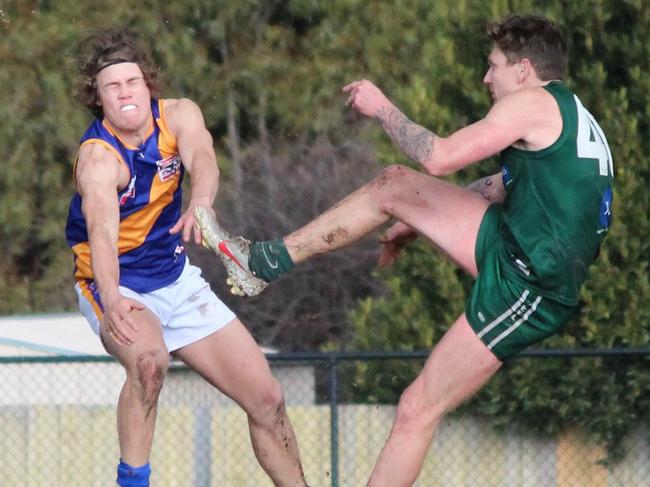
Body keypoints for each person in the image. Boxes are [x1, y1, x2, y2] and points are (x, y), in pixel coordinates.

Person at [195, 13, 614, 487]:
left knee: (417, 408)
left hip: (529, 285)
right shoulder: (570, 113)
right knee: (394, 185)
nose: (485, 77)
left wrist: (381, 107)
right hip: (514, 243)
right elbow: (504, 185)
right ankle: (263, 263)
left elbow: (438, 157)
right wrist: (414, 222)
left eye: (493, 65)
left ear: (522, 70)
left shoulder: (530, 105)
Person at [65, 29, 309, 487]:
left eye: (132, 82)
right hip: (116, 284)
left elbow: (204, 157)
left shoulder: (179, 115)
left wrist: (202, 201)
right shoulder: (98, 159)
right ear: (99, 100)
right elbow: (101, 233)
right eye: (112, 88)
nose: (125, 93)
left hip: (176, 280)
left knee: (268, 398)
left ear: (148, 85)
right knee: (149, 363)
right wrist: (113, 299)